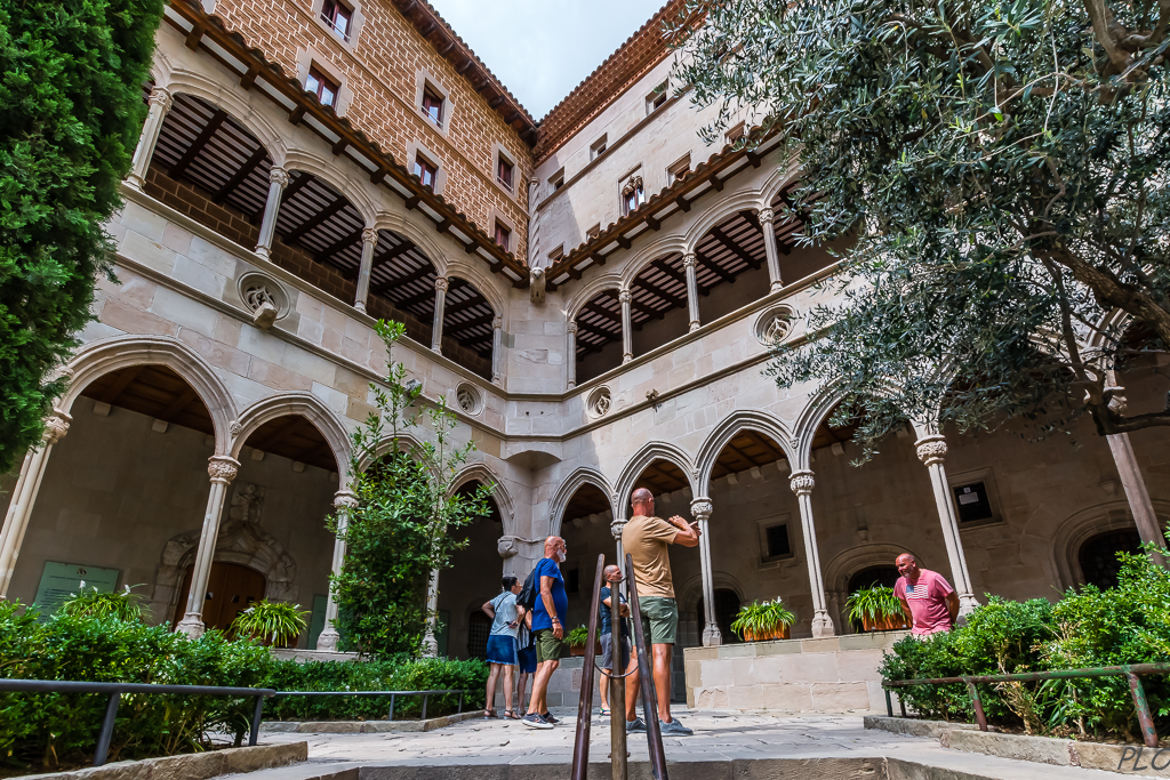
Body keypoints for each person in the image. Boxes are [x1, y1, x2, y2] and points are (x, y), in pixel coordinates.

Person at [621, 487, 699, 736]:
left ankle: (629, 717)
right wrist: (684, 524)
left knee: (635, 657)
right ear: (649, 502)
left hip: (637, 601)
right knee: (661, 656)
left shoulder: (627, 528)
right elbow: (692, 541)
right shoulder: (652, 523)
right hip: (659, 598)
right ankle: (665, 719)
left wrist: (685, 532)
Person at [522, 535, 569, 729]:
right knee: (550, 663)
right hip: (548, 622)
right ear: (556, 547)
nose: (565, 551)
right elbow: (545, 591)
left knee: (544, 665)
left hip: (542, 622)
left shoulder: (544, 564)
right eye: (564, 547)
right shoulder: (549, 564)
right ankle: (532, 712)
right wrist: (555, 619)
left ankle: (542, 711)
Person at [482, 575, 525, 719]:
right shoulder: (514, 598)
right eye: (518, 584)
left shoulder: (498, 598)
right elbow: (522, 612)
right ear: (513, 586)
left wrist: (494, 618)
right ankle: (508, 709)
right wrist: (517, 621)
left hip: (493, 637)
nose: (520, 587)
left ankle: (488, 708)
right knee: (508, 673)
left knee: (493, 673)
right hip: (507, 637)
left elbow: (485, 606)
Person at [894, 553, 959, 636]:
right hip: (919, 632)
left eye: (902, 565)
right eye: (898, 567)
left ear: (913, 563)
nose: (900, 569)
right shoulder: (900, 582)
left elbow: (954, 600)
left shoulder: (934, 577)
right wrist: (916, 623)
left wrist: (951, 622)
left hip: (940, 629)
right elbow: (904, 606)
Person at [598, 564, 632, 718]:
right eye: (618, 573)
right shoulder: (604, 591)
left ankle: (618, 701)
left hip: (623, 633)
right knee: (608, 668)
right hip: (609, 632)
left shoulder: (620, 593)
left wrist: (621, 607)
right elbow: (616, 607)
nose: (621, 575)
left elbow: (626, 611)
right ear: (610, 576)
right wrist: (621, 607)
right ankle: (604, 704)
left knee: (623, 668)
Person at [515, 610, 536, 708]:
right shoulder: (527, 610)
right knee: (535, 675)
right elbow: (530, 625)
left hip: (521, 646)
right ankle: (533, 706)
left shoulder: (519, 611)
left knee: (523, 675)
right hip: (530, 645)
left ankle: (521, 707)